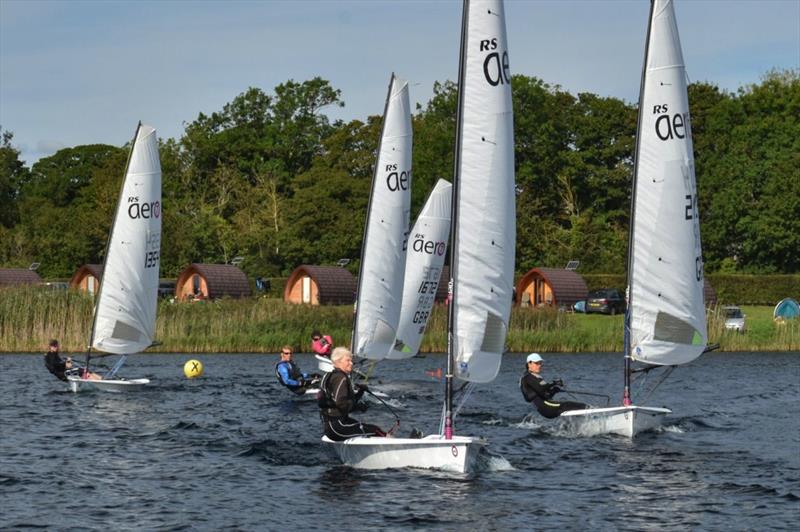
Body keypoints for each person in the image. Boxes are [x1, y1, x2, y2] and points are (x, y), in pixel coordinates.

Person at [318, 347, 386, 441]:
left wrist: (360, 392)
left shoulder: (329, 375)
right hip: (337, 427)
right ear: (338, 361)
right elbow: (341, 403)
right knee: (377, 431)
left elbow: (340, 401)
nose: (351, 363)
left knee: (365, 427)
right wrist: (358, 407)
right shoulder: (341, 378)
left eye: (351, 360)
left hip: (332, 426)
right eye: (348, 360)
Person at [520, 353, 587, 419]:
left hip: (545, 407)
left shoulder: (533, 377)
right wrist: (554, 383)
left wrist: (553, 390)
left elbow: (545, 395)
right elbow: (541, 388)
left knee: (571, 405)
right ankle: (589, 409)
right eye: (536, 363)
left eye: (540, 363)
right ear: (529, 364)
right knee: (569, 405)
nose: (539, 365)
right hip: (547, 407)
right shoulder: (528, 377)